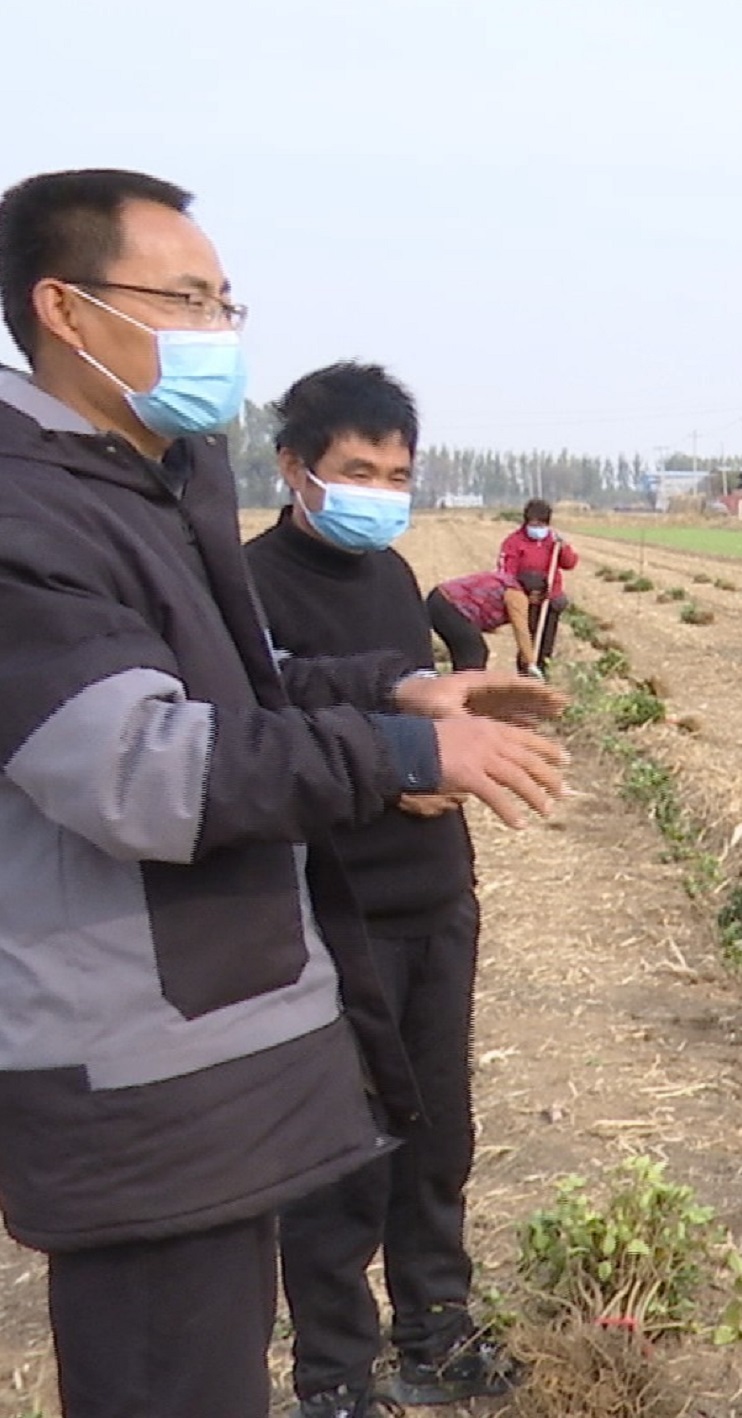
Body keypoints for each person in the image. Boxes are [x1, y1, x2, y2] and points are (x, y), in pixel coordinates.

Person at [0, 168, 566, 1418]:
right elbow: (147, 766)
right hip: (133, 1063)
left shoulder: (147, 485)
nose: (219, 329)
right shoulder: (27, 509)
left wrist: (398, 689)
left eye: (226, 300)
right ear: (66, 308)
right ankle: (343, 1373)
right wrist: (399, 754)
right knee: (174, 1370)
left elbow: (244, 682)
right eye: (187, 299)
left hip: (214, 1025)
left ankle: (419, 1335)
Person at [245, 364, 509, 1417]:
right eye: (357, 470)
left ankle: (436, 1336)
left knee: (438, 1135)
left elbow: (418, 717)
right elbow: (266, 739)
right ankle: (336, 1376)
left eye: (397, 475)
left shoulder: (394, 575)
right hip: (331, 908)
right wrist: (391, 778)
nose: (380, 492)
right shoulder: (248, 586)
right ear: (294, 467)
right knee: (339, 1158)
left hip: (436, 895)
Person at [497, 498, 576, 669]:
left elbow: (569, 564)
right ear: (526, 522)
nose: (538, 528)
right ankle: (525, 674)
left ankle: (542, 673)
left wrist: (564, 548)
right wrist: (523, 595)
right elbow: (506, 574)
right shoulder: (514, 542)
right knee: (527, 640)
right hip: (525, 598)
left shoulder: (554, 541)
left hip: (549, 598)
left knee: (546, 643)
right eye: (534, 524)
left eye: (542, 524)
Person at [426, 567, 545, 674]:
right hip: (450, 606)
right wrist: (530, 662)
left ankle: (460, 687)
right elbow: (521, 631)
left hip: (439, 600)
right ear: (535, 593)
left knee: (467, 654)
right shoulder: (516, 595)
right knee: (475, 655)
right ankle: (466, 688)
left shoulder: (504, 581)